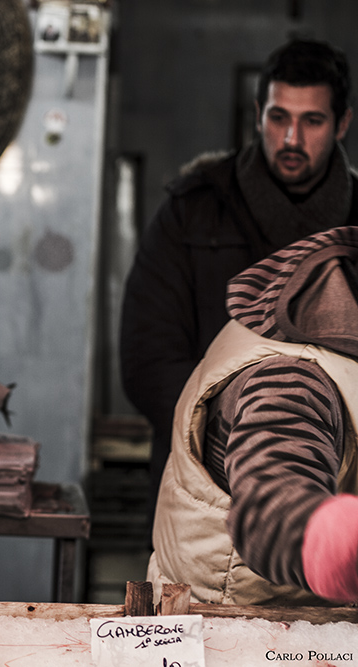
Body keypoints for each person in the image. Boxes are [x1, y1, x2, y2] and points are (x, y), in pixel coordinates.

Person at [119, 38, 358, 529]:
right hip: (203, 495)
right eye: (277, 117)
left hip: (338, 490)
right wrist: (237, 442)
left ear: (343, 124)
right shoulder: (193, 209)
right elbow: (148, 359)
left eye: (311, 121)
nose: (291, 138)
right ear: (257, 114)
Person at [149, 226, 358, 606]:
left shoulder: (324, 336)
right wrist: (344, 544)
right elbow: (274, 508)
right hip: (233, 639)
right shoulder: (292, 378)